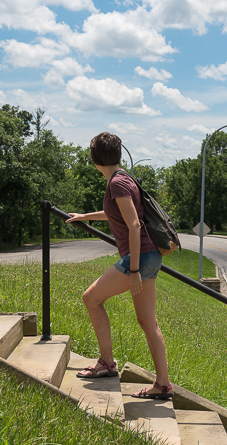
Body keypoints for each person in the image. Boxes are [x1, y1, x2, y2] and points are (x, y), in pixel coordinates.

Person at [65, 132, 172, 399]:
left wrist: (134, 270)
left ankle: (107, 363)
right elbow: (119, 214)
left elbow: (134, 224)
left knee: (91, 298)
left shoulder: (117, 183)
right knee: (148, 321)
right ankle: (163, 385)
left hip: (141, 257)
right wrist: (85, 217)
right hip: (149, 256)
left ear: (94, 158)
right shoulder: (123, 178)